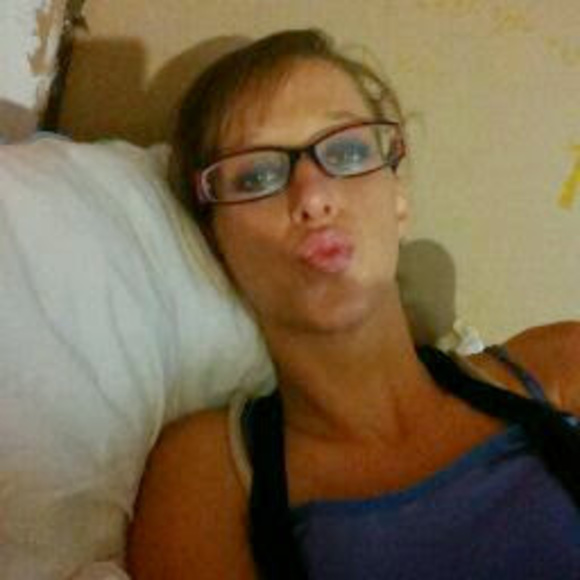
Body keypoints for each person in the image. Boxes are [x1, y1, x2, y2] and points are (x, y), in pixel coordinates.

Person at [126, 29, 580, 579]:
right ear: (214, 242)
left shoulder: (559, 368)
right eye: (257, 175)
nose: (314, 196)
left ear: (398, 200)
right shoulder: (209, 472)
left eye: (346, 151)